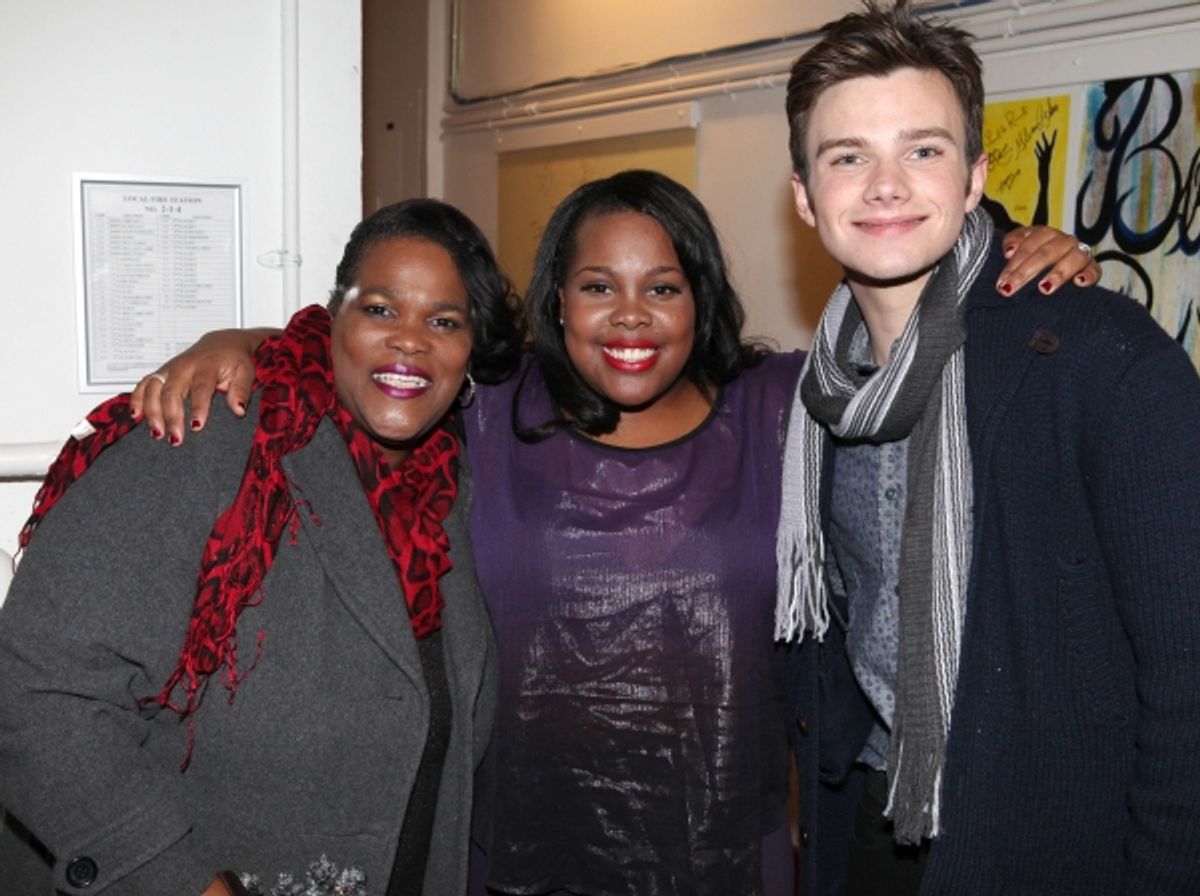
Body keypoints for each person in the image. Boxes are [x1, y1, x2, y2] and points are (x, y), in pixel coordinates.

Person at [127, 172, 1096, 896]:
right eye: (598, 285)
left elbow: (910, 344)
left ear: (701, 298)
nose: (630, 315)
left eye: (663, 287)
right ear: (555, 300)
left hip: (721, 857)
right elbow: (385, 349)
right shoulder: (486, 409)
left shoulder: (779, 409)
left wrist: (1021, 251)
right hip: (511, 858)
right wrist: (246, 342)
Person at [775, 3, 1200, 894]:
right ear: (805, 196)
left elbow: (1187, 679)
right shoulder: (814, 394)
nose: (885, 186)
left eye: (921, 151)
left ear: (974, 180)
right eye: (848, 156)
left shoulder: (1101, 361)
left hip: (1049, 844)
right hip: (872, 826)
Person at [0, 198, 522, 896]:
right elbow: (36, 692)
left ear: (471, 348)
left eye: (443, 321)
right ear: (332, 318)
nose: (410, 341)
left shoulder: (450, 479)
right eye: (379, 309)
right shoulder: (209, 439)